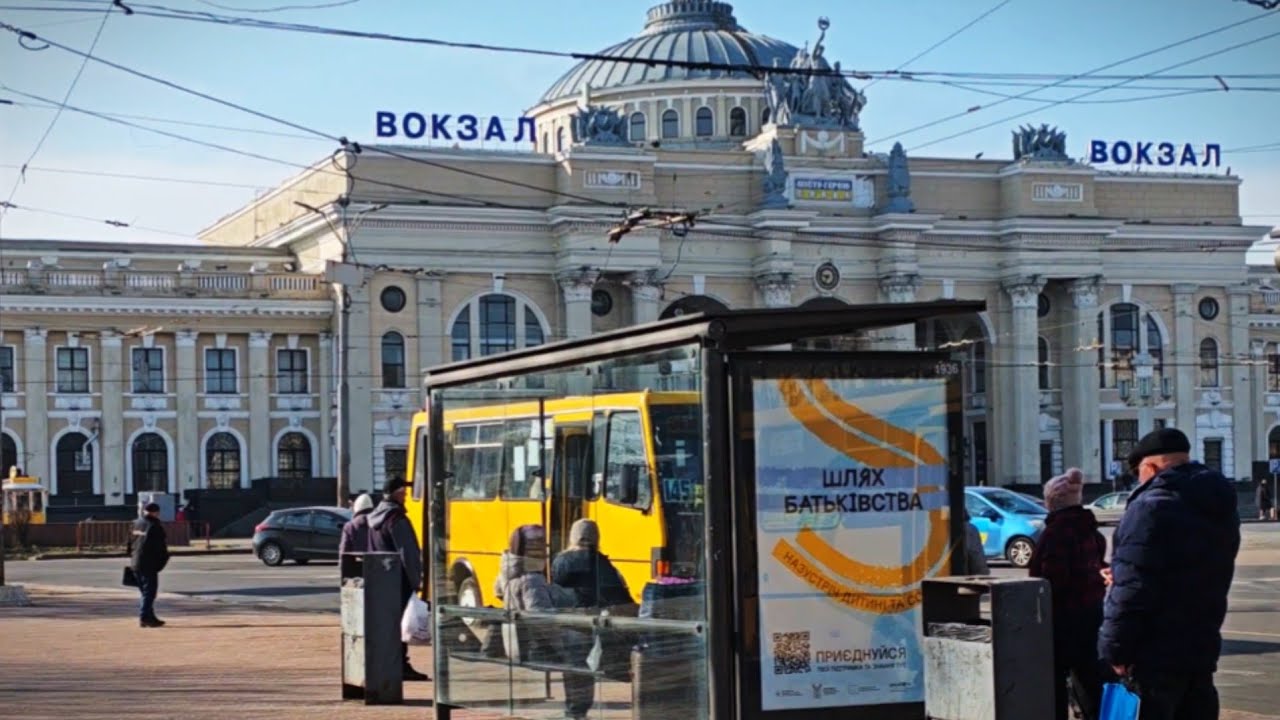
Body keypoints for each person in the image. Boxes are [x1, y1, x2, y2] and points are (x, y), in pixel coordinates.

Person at [1098, 428, 1240, 720]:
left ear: (1149, 467)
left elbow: (1132, 591)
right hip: (1200, 650)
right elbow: (1196, 570)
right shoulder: (1219, 506)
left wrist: (1114, 650)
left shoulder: (1149, 508)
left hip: (1152, 660)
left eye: (1139, 473)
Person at [1029, 468, 1108, 720]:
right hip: (1092, 613)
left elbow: (1051, 579)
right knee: (1087, 676)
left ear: (1050, 502)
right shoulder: (1091, 530)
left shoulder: (1054, 533)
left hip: (1061, 619)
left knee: (1054, 679)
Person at [551, 519, 633, 720]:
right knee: (585, 668)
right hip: (588, 621)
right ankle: (579, 711)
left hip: (563, 621)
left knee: (572, 668)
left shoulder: (559, 561)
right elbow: (614, 593)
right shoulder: (597, 561)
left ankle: (572, 711)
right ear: (596, 537)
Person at [369, 478, 429, 681]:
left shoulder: (375, 518)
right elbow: (408, 553)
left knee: (390, 625)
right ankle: (401, 665)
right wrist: (416, 580)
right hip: (400, 579)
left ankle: (391, 663)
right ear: (395, 494)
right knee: (401, 624)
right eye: (403, 492)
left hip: (382, 578)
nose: (405, 496)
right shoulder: (396, 519)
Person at [128, 502, 170, 628]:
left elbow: (129, 543)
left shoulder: (135, 524)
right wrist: (161, 562)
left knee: (144, 592)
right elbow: (161, 547)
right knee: (149, 592)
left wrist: (132, 557)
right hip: (149, 563)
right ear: (155, 512)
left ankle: (150, 617)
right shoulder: (154, 525)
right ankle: (144, 617)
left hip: (136, 562)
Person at [961, 509, 989, 575]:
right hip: (978, 566)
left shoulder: (966, 528)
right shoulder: (972, 527)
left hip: (973, 566)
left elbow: (970, 549)